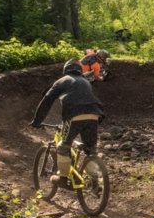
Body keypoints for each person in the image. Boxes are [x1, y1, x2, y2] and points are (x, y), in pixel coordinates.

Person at [31, 60, 105, 188]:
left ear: (66, 70)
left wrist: (37, 121)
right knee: (90, 149)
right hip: (94, 115)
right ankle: (94, 179)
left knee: (63, 146)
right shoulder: (85, 81)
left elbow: (46, 101)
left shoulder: (63, 80)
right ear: (80, 70)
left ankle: (63, 179)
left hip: (74, 116)